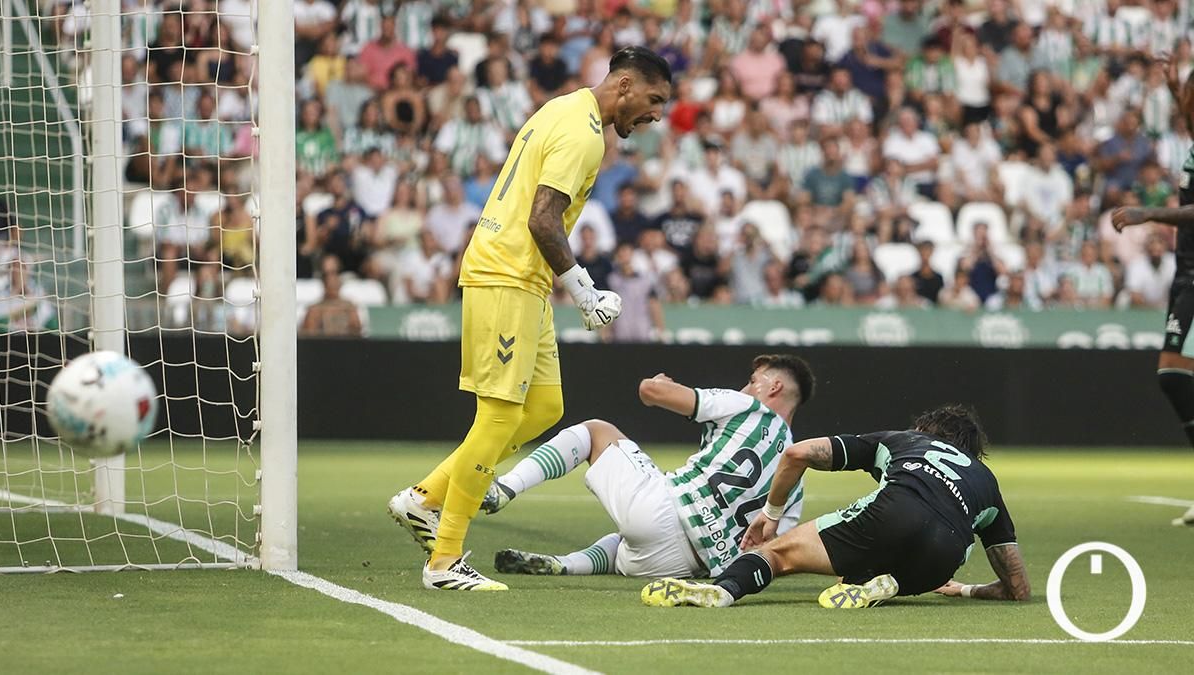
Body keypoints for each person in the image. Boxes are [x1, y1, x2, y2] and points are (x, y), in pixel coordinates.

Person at [387, 47, 672, 591]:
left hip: (525, 280)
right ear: (626, 85)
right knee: (497, 417)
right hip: (508, 275)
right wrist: (585, 293)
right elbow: (544, 220)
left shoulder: (562, 108)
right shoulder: (584, 133)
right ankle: (444, 560)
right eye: (653, 100)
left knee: (545, 406)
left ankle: (423, 499)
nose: (655, 114)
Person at [641, 405, 1030, 609]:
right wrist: (965, 590)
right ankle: (891, 585)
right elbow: (1017, 586)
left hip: (894, 512)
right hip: (943, 558)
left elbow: (797, 453)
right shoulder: (986, 482)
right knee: (897, 565)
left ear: (924, 430)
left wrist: (771, 515)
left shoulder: (904, 440)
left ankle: (725, 591)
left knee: (777, 555)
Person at [485, 355, 815, 579]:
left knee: (594, 431)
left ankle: (505, 487)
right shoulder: (795, 479)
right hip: (686, 566)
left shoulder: (747, 406)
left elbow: (651, 392)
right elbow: (770, 551)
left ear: (774, 387)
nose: (746, 387)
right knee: (620, 547)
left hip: (666, 512)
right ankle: (564, 565)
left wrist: (657, 382)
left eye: (753, 380)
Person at [1112, 55, 1194, 526]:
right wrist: (1173, 87)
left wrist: (1149, 213)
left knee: (1174, 376)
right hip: (1187, 273)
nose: (1182, 107)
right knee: (1175, 377)